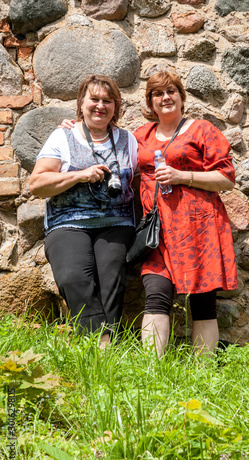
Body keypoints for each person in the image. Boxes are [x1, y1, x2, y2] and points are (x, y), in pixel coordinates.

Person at [134, 71, 238, 356]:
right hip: (158, 232)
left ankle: (202, 375)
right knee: (155, 293)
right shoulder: (141, 136)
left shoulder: (201, 130)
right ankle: (151, 373)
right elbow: (109, 145)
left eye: (171, 91)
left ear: (181, 97)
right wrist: (74, 127)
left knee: (203, 302)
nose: (165, 97)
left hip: (198, 228)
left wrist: (182, 176)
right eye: (158, 93)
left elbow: (227, 179)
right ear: (151, 103)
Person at [29, 74, 138, 344]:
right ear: (81, 103)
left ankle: (102, 349)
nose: (100, 106)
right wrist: (80, 175)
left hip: (116, 222)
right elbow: (37, 184)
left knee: (111, 276)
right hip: (67, 222)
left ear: (116, 107)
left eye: (108, 101)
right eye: (94, 99)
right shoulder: (62, 136)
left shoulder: (129, 140)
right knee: (72, 276)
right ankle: (101, 341)